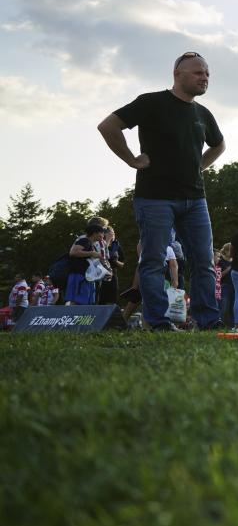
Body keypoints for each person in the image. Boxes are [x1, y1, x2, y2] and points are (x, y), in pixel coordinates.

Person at [97, 51, 225, 331]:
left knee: (203, 262)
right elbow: (108, 126)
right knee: (153, 260)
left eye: (207, 74)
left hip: (195, 200)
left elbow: (219, 145)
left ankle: (208, 321)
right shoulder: (152, 102)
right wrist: (132, 159)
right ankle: (157, 322)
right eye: (197, 72)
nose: (204, 78)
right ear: (177, 74)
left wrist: (198, 167)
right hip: (155, 198)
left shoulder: (203, 113)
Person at [65, 223, 106, 305]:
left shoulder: (91, 244)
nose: (103, 235)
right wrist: (91, 253)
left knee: (85, 302)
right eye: (101, 232)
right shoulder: (85, 240)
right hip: (79, 275)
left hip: (86, 276)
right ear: (94, 233)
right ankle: (73, 316)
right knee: (77, 301)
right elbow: (73, 252)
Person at [96, 226, 126, 305]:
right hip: (99, 275)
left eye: (113, 233)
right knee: (99, 299)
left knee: (112, 300)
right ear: (105, 234)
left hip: (112, 276)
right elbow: (103, 256)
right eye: (111, 233)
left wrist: (116, 261)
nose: (113, 235)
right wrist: (108, 240)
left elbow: (123, 265)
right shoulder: (99, 244)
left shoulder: (116, 246)